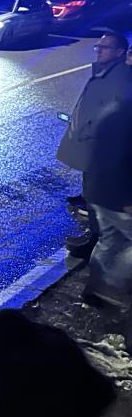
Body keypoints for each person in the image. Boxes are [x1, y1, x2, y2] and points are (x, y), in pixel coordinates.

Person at [57, 30, 132, 289]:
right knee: (94, 201)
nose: (99, 50)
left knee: (104, 212)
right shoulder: (106, 72)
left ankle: (103, 275)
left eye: (105, 47)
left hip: (104, 155)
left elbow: (114, 122)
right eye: (98, 46)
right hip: (95, 152)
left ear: (119, 52)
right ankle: (94, 249)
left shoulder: (120, 79)